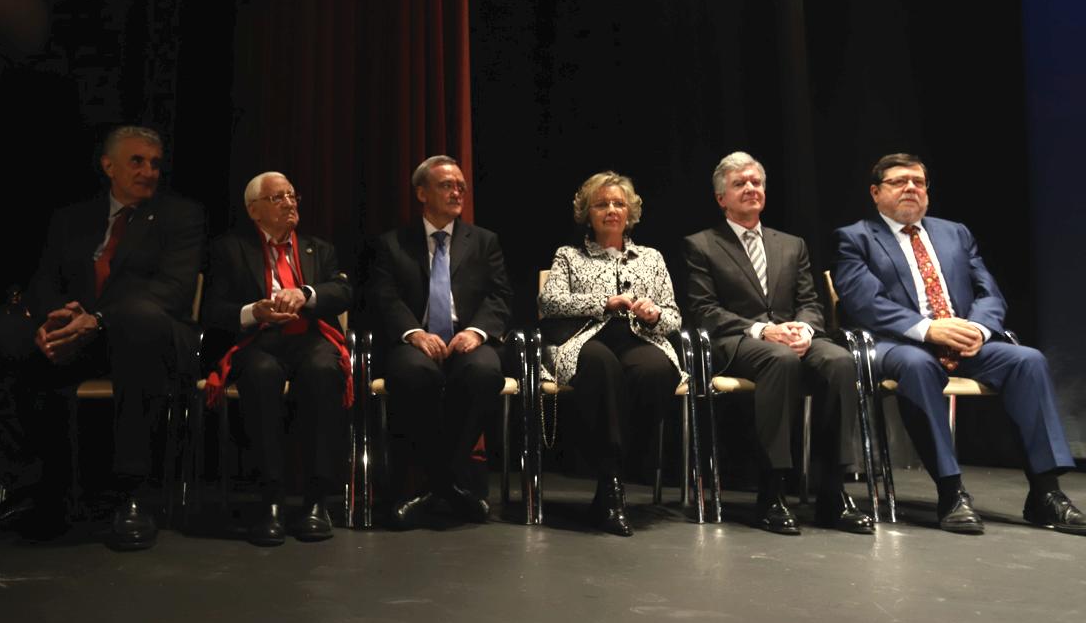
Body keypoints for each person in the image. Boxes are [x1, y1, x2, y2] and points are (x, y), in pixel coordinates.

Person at [0, 125, 205, 550]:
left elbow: (173, 293)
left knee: (140, 321)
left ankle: (131, 495)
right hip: (80, 334)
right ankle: (28, 485)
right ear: (108, 166)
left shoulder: (181, 216)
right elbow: (45, 281)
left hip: (144, 337)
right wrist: (57, 319)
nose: (149, 171)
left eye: (155, 163)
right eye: (137, 161)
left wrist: (99, 318)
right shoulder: (72, 218)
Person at [833, 153, 1084, 534]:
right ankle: (951, 491)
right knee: (919, 367)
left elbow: (989, 292)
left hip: (965, 342)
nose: (911, 188)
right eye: (899, 181)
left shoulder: (955, 232)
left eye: (918, 182)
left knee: (1027, 361)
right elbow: (863, 302)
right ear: (875, 192)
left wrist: (978, 330)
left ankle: (1046, 493)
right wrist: (927, 330)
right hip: (899, 344)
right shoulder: (855, 238)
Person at [683, 152, 874, 535]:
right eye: (740, 183)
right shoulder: (702, 245)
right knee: (779, 361)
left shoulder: (791, 244)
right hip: (737, 343)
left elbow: (809, 303)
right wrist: (762, 330)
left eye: (756, 182)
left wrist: (804, 329)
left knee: (839, 361)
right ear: (721, 197)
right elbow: (705, 311)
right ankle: (772, 490)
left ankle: (834, 492)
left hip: (793, 337)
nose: (751, 188)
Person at [201, 172, 352, 546]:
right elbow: (212, 309)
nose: (289, 203)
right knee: (261, 376)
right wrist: (256, 311)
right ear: (254, 211)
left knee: (322, 370)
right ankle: (270, 501)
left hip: (309, 337)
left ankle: (317, 500)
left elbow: (344, 290)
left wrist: (306, 293)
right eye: (277, 198)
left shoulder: (319, 248)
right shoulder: (230, 249)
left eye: (291, 196)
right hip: (258, 339)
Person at [369, 154, 513, 529]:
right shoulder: (392, 243)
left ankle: (435, 481)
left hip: (467, 340)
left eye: (460, 187)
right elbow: (384, 297)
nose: (456, 192)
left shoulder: (484, 241)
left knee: (484, 373)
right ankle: (449, 484)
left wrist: (476, 331)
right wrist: (414, 333)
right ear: (421, 193)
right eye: (446, 185)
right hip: (414, 342)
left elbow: (499, 297)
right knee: (415, 375)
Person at [539, 171, 683, 537]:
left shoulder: (651, 258)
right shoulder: (569, 256)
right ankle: (613, 483)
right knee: (603, 368)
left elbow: (674, 316)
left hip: (638, 337)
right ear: (588, 212)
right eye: (602, 204)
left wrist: (653, 314)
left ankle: (611, 478)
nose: (611, 210)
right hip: (585, 337)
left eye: (619, 203)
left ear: (630, 211)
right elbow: (549, 302)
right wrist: (604, 302)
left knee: (657, 371)